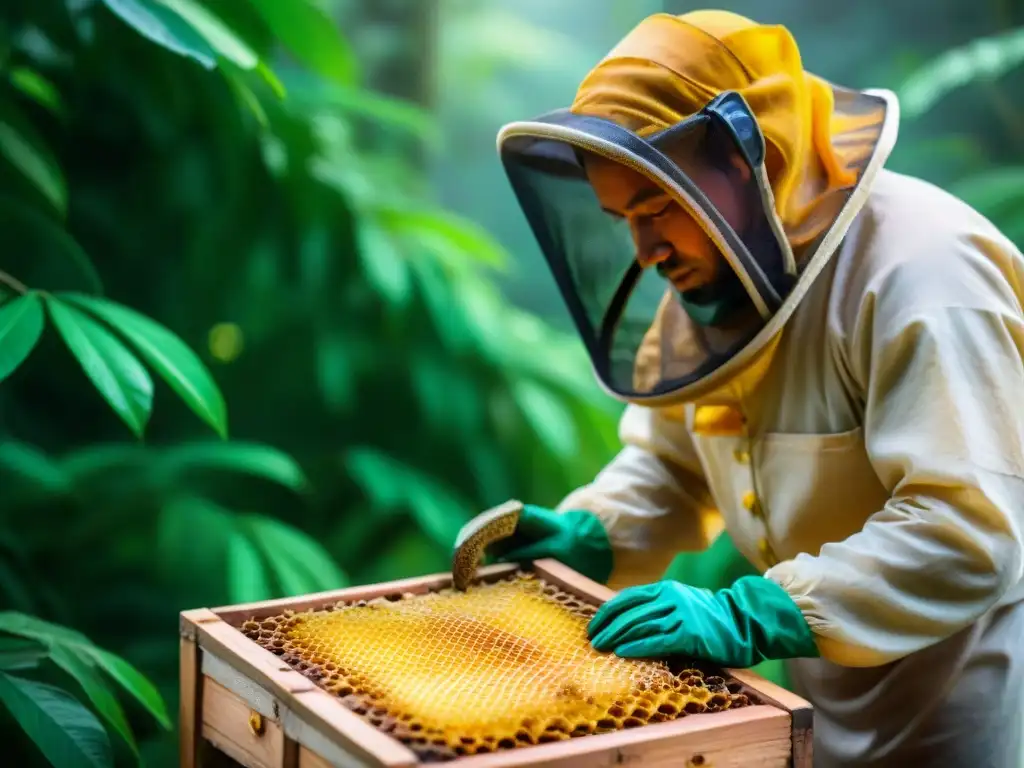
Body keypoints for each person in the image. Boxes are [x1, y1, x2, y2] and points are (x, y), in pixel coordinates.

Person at [455, 10, 1024, 767]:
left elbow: (967, 531)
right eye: (624, 217)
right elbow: (672, 462)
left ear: (756, 158)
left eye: (658, 207)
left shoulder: (925, 275)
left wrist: (757, 611)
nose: (647, 249)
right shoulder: (722, 278)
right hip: (818, 711)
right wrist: (594, 534)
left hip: (970, 721)